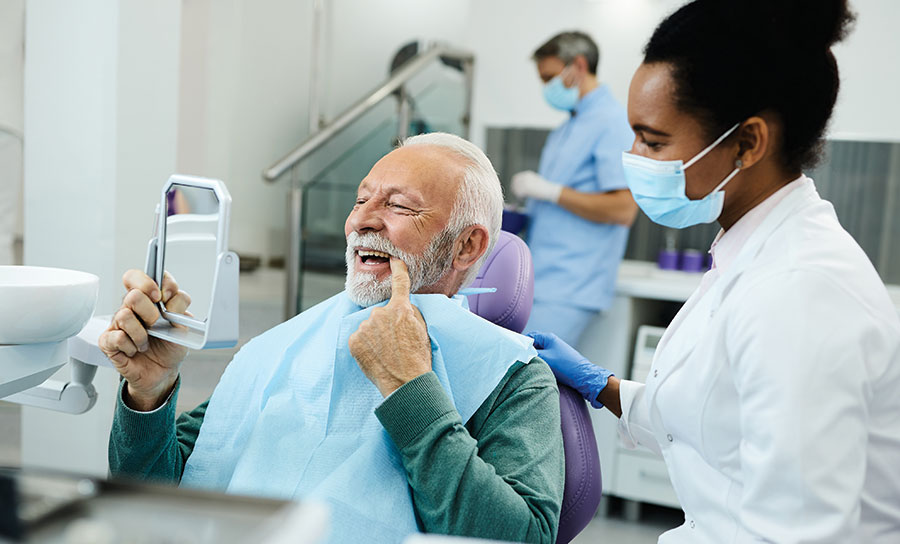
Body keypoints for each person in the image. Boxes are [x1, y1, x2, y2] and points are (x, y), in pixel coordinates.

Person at [530, 1, 900, 542]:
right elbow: (713, 426)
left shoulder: (800, 291)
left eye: (653, 141)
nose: (632, 156)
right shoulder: (750, 250)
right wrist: (602, 387)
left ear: (747, 142)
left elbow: (798, 534)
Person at [100, 133, 564, 543]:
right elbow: (154, 494)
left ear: (467, 246)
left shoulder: (513, 378)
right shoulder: (285, 347)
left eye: (398, 206)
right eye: (361, 201)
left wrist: (411, 390)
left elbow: (521, 537)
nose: (363, 221)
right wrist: (150, 392)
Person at [510, 31, 637, 346]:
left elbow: (624, 209)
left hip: (572, 286)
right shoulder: (568, 128)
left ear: (579, 66)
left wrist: (551, 192)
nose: (546, 88)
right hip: (543, 279)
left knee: (527, 382)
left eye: (550, 77)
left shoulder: (612, 122)